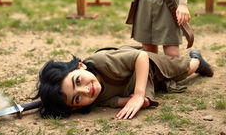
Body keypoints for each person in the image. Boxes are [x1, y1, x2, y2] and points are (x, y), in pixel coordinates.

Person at [34, 45, 213, 120]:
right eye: (77, 99)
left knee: (183, 69)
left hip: (146, 65)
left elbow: (140, 56)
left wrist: (139, 94)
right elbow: (120, 102)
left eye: (78, 81)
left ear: (80, 66)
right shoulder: (96, 99)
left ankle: (197, 59)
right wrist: (136, 100)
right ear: (75, 108)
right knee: (152, 95)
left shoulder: (101, 61)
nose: (86, 90)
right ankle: (154, 86)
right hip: (138, 84)